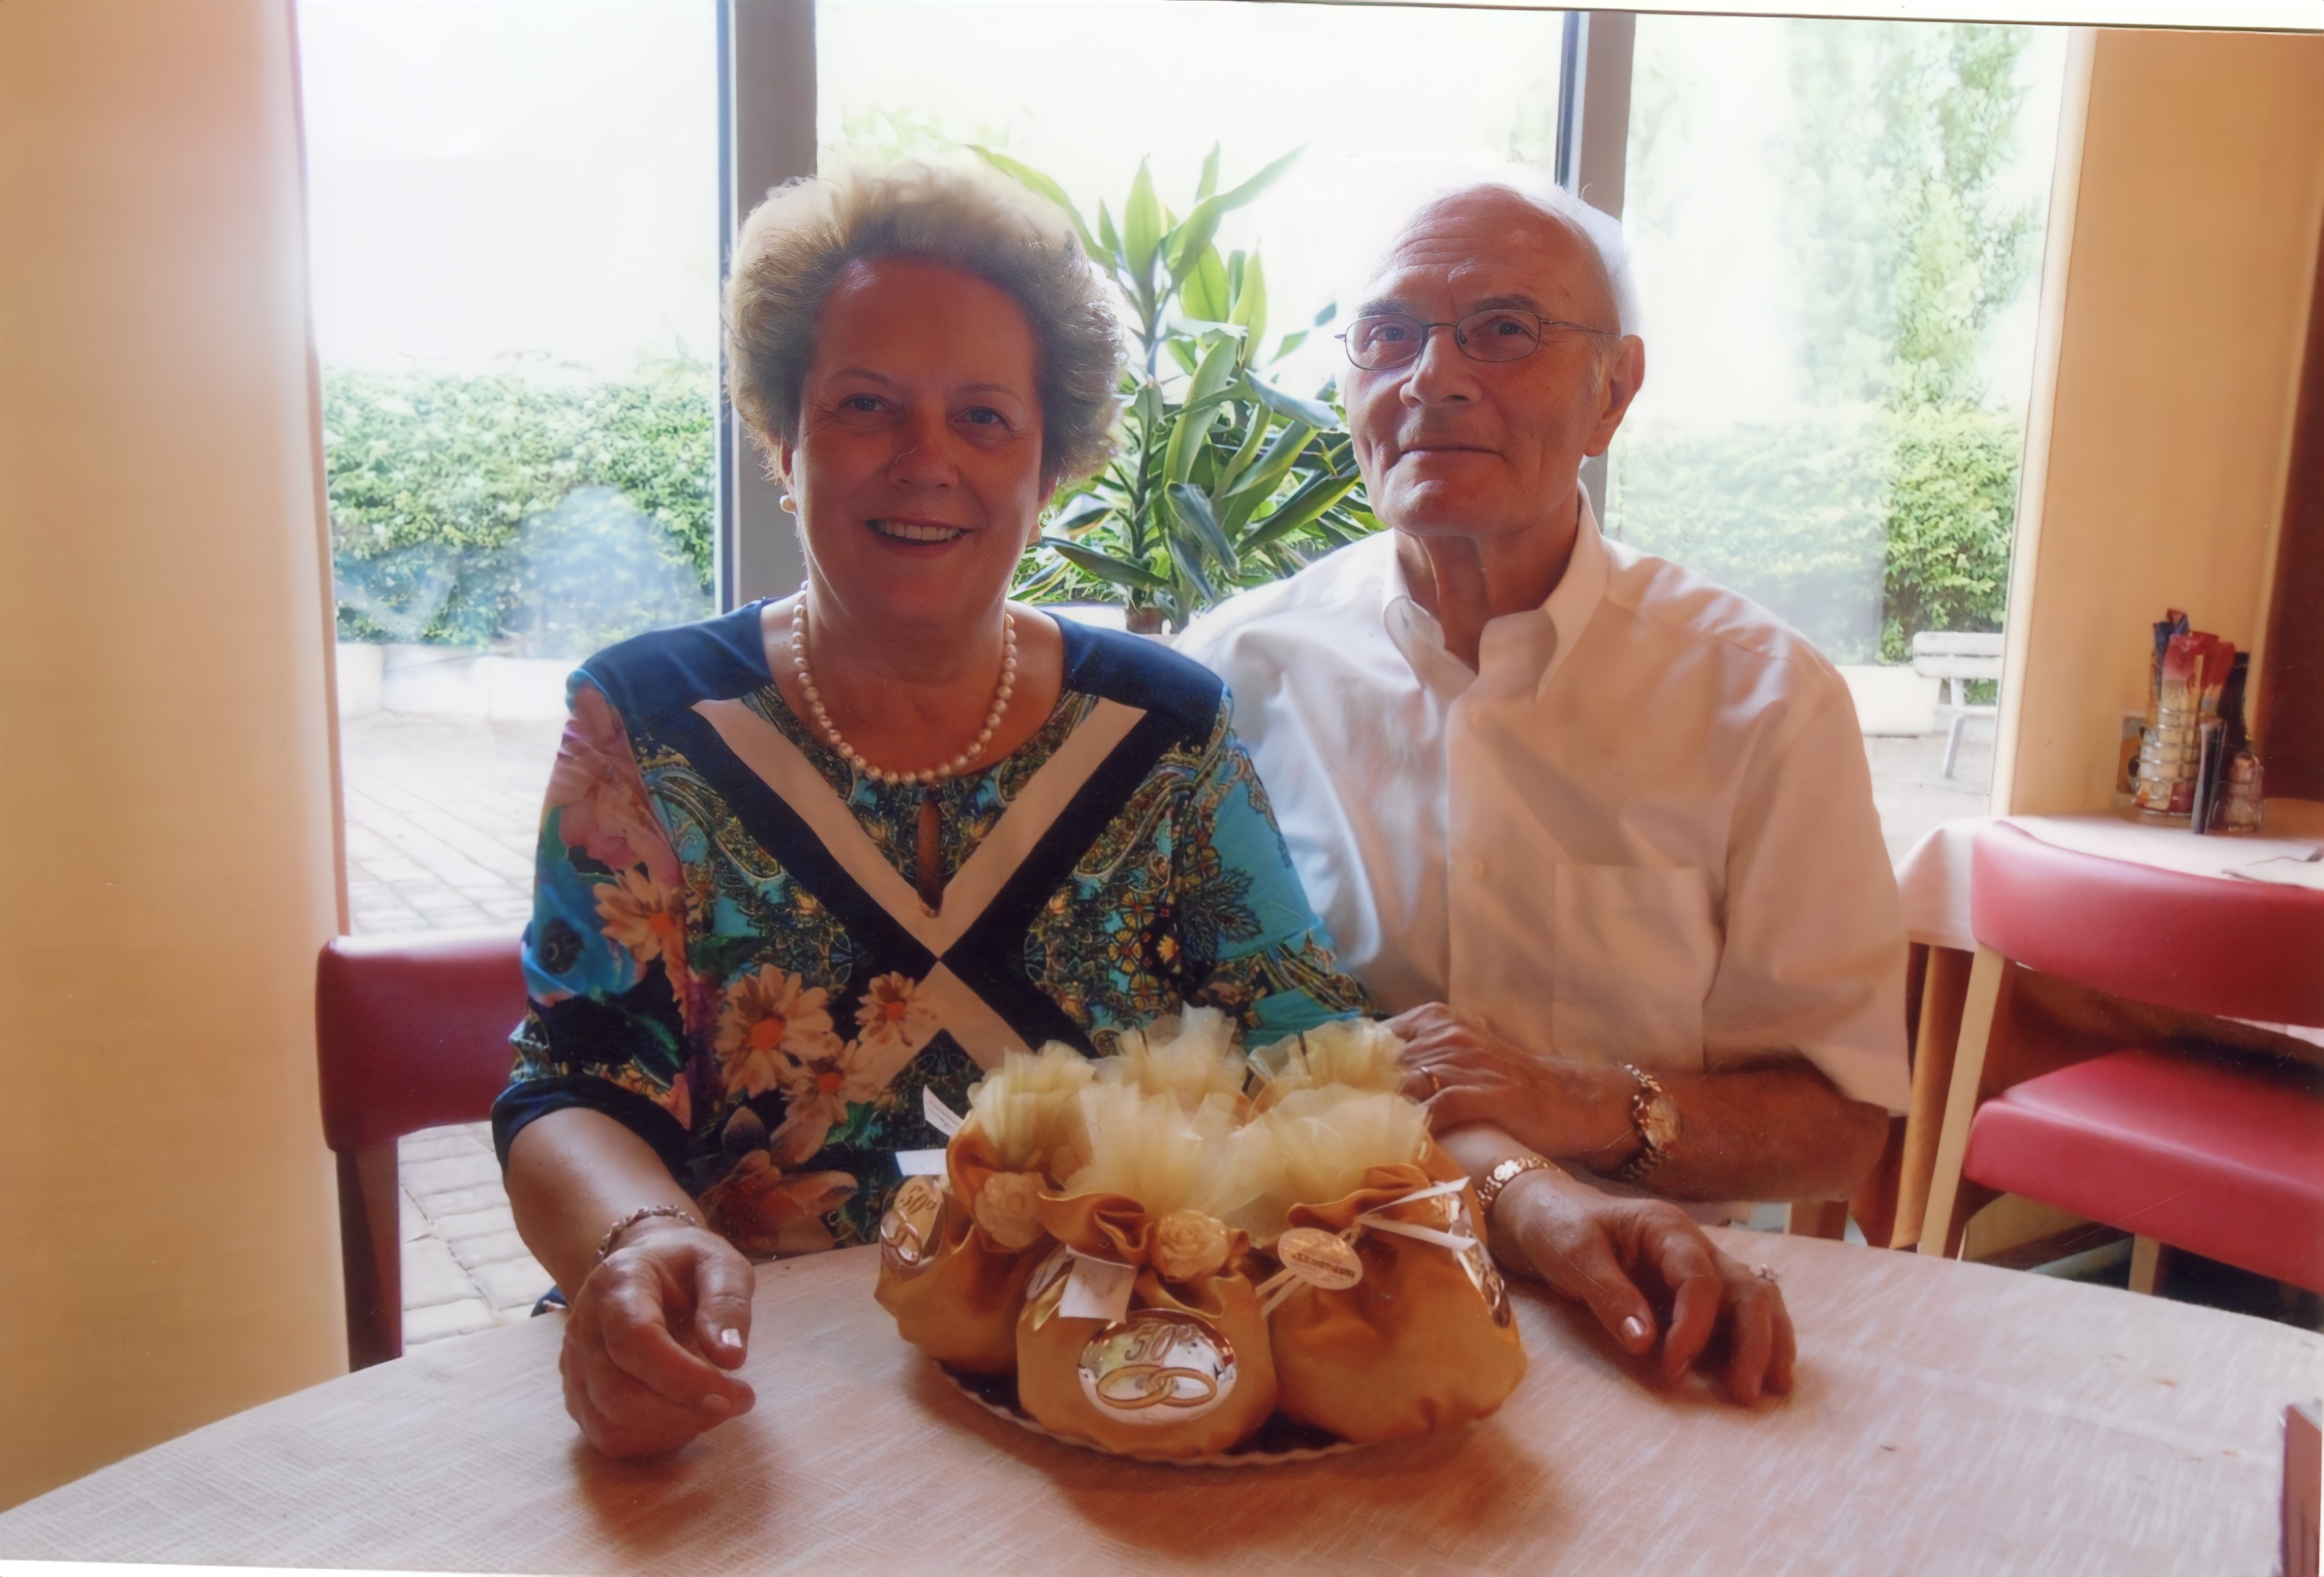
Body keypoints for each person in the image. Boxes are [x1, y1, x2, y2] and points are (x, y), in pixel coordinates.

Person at [495, 164, 1368, 1459]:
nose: (926, 462)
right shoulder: (648, 722)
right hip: (737, 1387)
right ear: (785, 444)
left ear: (1048, 466)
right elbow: (576, 1078)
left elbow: (1309, 1049)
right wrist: (642, 1238)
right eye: (865, 406)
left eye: (982, 418)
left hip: (1098, 1382)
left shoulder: (1164, 732)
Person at [1178, 179, 1915, 1406]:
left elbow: (1840, 1124)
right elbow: (1183, 1044)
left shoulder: (1760, 698)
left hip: (1654, 1317)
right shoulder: (1229, 677)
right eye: (1388, 336)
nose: (1433, 378)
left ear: (1612, 392)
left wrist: (1578, 1100)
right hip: (1309, 1301)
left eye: (1503, 331)